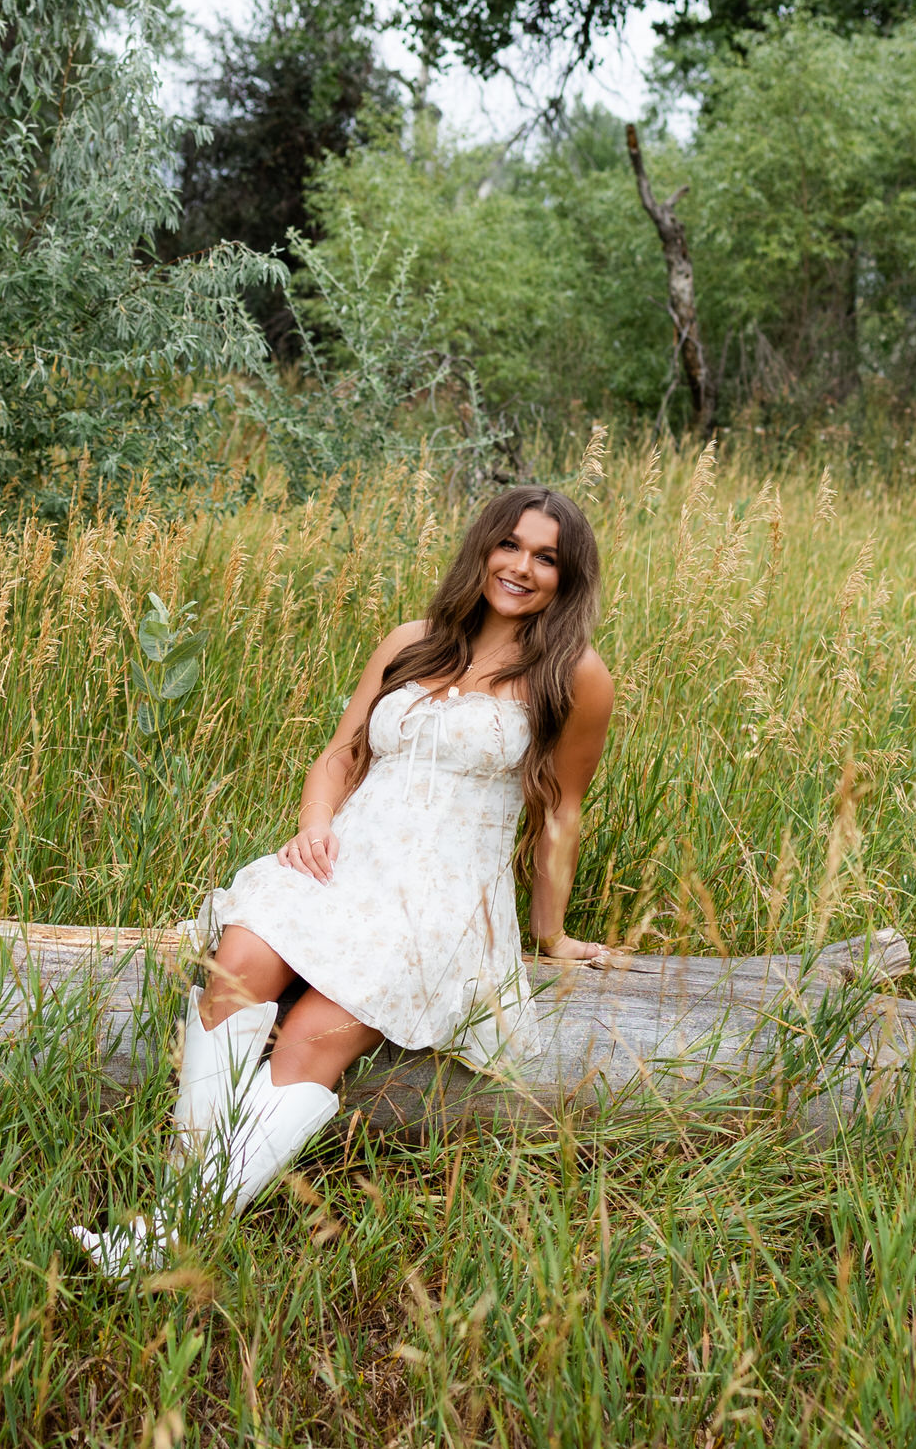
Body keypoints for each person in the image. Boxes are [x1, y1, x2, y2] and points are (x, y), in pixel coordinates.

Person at [75, 486, 618, 1277]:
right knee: (237, 970)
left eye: (547, 558)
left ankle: (164, 1233)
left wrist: (550, 935)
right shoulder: (413, 640)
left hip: (441, 903)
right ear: (484, 548)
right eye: (512, 546)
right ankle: (165, 1222)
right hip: (346, 861)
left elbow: (561, 815)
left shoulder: (576, 675)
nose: (523, 568)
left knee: (305, 1040)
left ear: (567, 579)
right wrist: (316, 823)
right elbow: (340, 754)